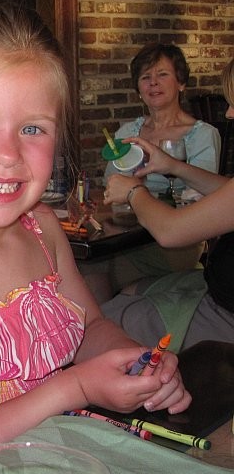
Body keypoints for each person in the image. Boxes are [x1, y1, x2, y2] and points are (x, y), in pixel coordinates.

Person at [0, 4, 191, 463]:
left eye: (32, 128)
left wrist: (136, 364)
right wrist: (78, 385)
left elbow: (89, 327)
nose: (7, 153)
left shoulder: (43, 227)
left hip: (66, 453)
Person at [101, 57, 234, 352]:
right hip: (213, 287)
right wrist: (172, 165)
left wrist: (134, 191)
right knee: (127, 292)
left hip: (224, 312)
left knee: (103, 324)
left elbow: (171, 232)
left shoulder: (203, 132)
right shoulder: (130, 129)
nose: (229, 113)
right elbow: (227, 191)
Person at [92, 43, 222, 298]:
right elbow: (111, 188)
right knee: (86, 263)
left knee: (96, 267)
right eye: (145, 77)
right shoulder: (127, 134)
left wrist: (137, 192)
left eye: (162, 74)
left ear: (181, 83)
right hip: (126, 233)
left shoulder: (203, 135)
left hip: (178, 239)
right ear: (138, 89)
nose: (153, 82)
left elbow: (201, 201)